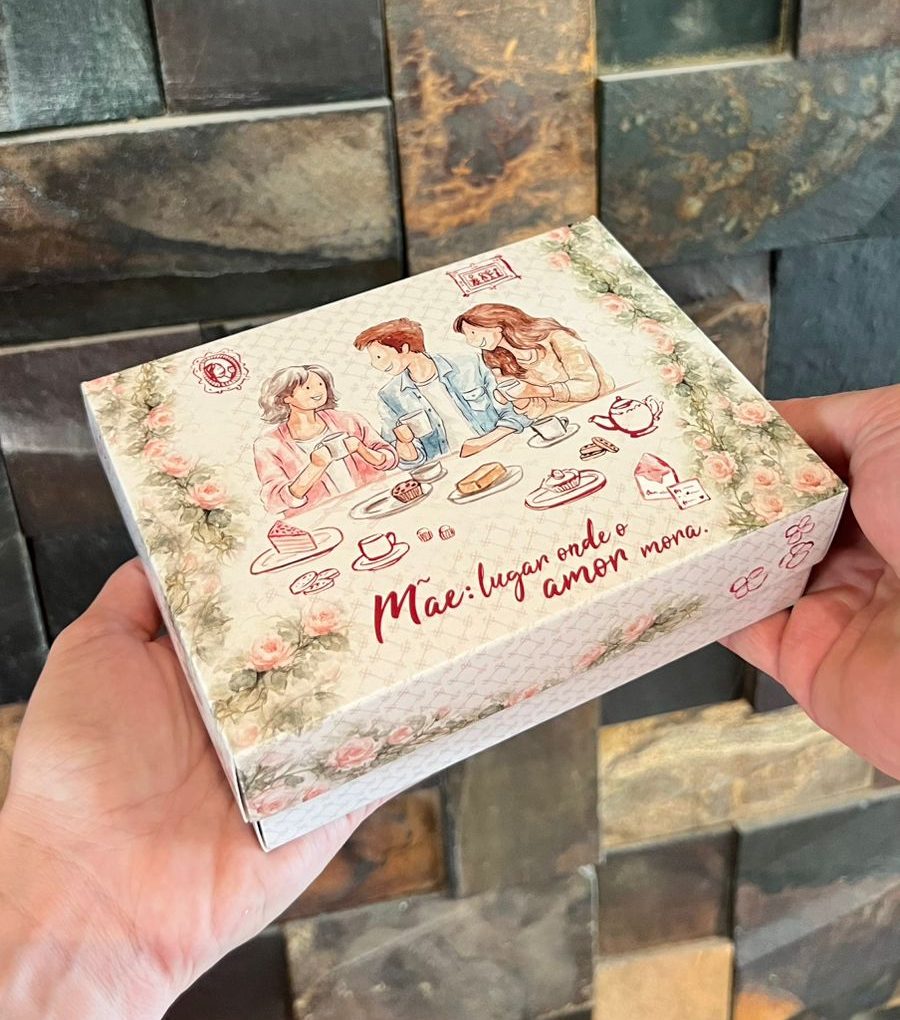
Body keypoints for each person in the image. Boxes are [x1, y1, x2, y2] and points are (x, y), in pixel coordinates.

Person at [1, 385, 898, 1018]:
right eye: (307, 393)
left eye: (321, 392)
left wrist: (85, 903)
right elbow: (298, 494)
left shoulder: (370, 411)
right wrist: (87, 891)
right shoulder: (280, 442)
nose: (319, 400)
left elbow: (394, 456)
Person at [354, 317, 528, 462]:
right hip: (449, 467)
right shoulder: (390, 396)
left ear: (404, 348)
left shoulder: (469, 364)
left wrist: (481, 443)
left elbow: (517, 410)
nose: (375, 364)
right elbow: (408, 460)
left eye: (379, 356)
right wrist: (404, 443)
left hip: (502, 449)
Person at [253, 364, 397, 516]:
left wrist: (362, 450)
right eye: (307, 388)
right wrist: (316, 466)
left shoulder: (349, 420)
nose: (318, 391)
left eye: (321, 385)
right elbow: (274, 502)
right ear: (286, 397)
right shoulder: (269, 444)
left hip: (374, 505)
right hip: (322, 519)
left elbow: (390, 459)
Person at [452, 302, 615, 421]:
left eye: (473, 333)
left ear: (497, 325)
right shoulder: (494, 358)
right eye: (467, 336)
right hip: (560, 420)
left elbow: (589, 387)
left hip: (604, 408)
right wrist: (516, 399)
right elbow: (535, 411)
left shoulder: (554, 336)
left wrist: (537, 390)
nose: (471, 341)